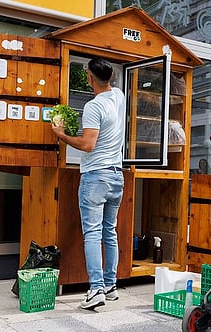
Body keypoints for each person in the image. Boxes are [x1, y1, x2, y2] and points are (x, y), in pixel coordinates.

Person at [51, 58, 125, 310]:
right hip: (117, 175)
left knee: (92, 232)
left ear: (90, 78)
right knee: (109, 231)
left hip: (96, 175)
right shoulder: (118, 95)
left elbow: (88, 144)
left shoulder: (93, 107)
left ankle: (95, 290)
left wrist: (61, 135)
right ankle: (110, 285)